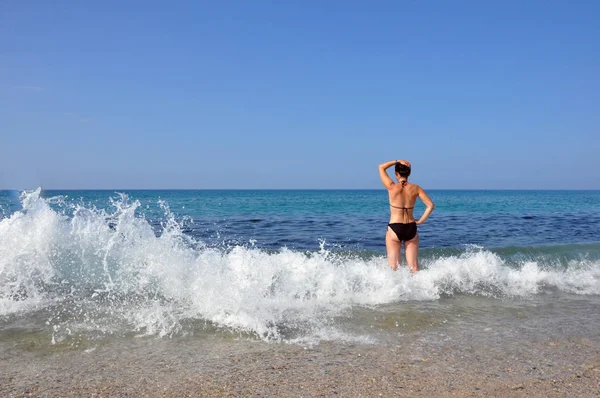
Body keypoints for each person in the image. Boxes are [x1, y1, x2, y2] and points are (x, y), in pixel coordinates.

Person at [378, 160, 434, 272]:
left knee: (393, 267)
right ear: (409, 174)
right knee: (414, 267)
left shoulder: (391, 187)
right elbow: (430, 206)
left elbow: (381, 167)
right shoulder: (416, 188)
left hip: (395, 228)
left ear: (396, 173)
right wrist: (420, 221)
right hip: (411, 228)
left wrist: (396, 161)